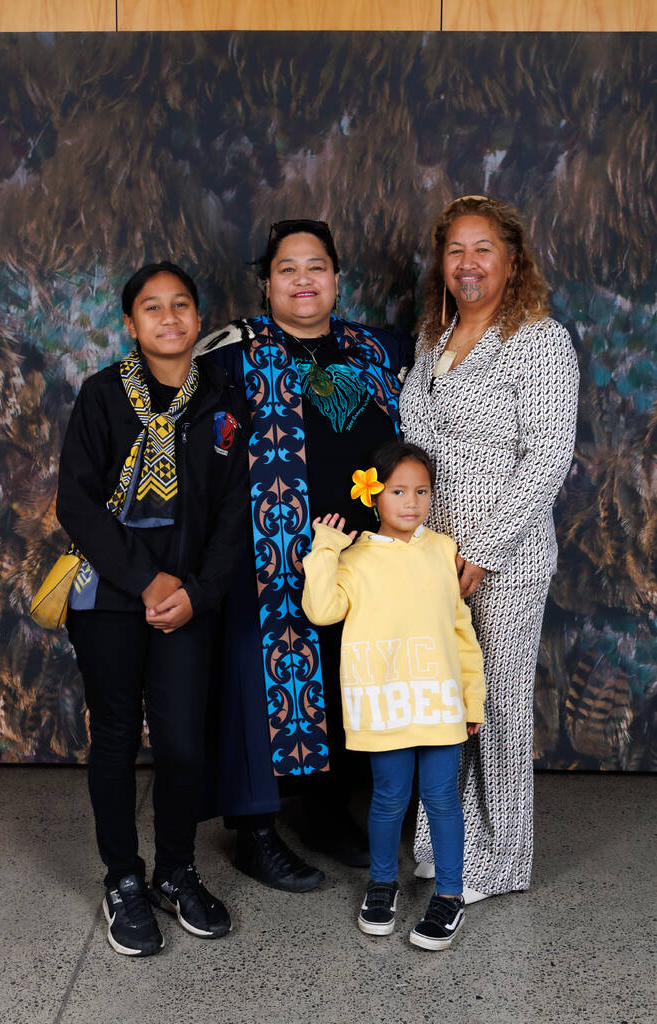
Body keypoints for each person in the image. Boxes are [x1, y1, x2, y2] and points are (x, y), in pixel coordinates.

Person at [196, 220, 413, 892]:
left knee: (343, 683)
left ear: (336, 278)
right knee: (259, 688)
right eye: (286, 268)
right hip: (263, 555)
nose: (302, 280)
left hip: (361, 557)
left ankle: (324, 811)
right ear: (265, 282)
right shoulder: (231, 352)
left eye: (315, 266)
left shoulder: (374, 349)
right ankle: (255, 834)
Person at [56, 261, 248, 956]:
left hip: (189, 598)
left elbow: (234, 513)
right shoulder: (102, 396)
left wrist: (195, 591)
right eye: (152, 308)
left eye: (181, 306)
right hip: (110, 594)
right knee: (113, 734)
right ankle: (123, 880)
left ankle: (175, 871)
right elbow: (75, 502)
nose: (169, 318)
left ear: (197, 319)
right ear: (131, 325)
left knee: (180, 742)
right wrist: (147, 582)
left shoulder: (224, 401)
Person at [400, 195, 579, 903]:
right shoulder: (431, 338)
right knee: (444, 707)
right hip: (432, 556)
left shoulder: (539, 341)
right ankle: (440, 843)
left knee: (495, 708)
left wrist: (480, 551)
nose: (467, 263)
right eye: (454, 251)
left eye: (482, 250)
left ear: (511, 261)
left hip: (501, 559)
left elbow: (546, 459)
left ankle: (499, 861)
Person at [301, 441, 485, 949]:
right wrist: (324, 548)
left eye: (421, 491)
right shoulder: (355, 559)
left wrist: (472, 699)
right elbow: (320, 610)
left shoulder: (443, 550)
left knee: (443, 798)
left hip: (440, 701)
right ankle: (382, 886)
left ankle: (449, 896)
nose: (411, 502)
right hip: (385, 704)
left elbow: (461, 630)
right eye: (399, 491)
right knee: (388, 799)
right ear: (375, 495)